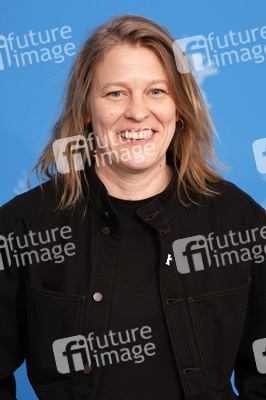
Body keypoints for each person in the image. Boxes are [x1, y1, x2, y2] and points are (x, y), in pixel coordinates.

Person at [0, 14, 265, 400]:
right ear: (87, 110)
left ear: (180, 107)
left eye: (157, 91)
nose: (138, 112)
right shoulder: (22, 226)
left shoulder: (239, 220)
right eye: (115, 93)